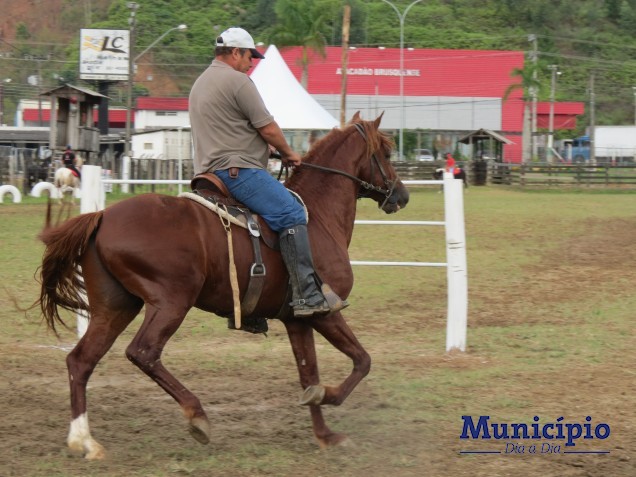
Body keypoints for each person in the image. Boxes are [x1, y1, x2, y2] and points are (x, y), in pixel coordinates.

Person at [189, 27, 347, 318]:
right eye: (250, 56)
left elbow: (229, 131)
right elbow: (268, 127)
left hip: (208, 175)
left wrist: (265, 151)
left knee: (255, 230)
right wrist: (288, 153)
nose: (252, 62)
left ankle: (254, 309)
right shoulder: (238, 82)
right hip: (238, 173)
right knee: (290, 213)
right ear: (236, 52)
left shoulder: (200, 83)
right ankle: (307, 294)